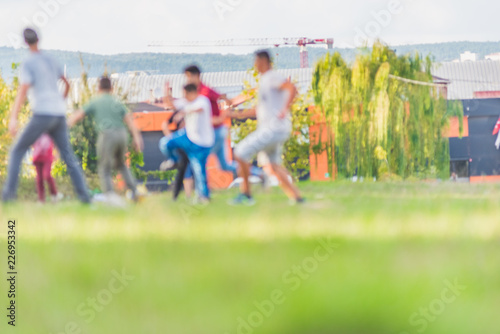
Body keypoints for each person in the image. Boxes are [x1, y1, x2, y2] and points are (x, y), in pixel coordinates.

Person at [2, 28, 91, 203]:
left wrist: (13, 118)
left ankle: (9, 196)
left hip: (42, 113)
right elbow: (66, 83)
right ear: (38, 39)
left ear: (25, 42)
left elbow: (23, 90)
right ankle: (85, 197)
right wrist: (60, 101)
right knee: (68, 156)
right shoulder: (51, 60)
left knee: (17, 150)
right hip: (58, 114)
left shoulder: (28, 63)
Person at [231, 50, 304, 205]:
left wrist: (285, 109)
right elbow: (259, 110)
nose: (255, 65)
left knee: (240, 152)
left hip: (273, 129)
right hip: (275, 129)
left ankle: (246, 195)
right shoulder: (265, 81)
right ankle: (297, 197)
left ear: (263, 61)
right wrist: (233, 115)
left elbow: (291, 87)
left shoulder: (271, 77)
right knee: (273, 166)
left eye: (256, 61)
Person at [68, 77, 144, 203]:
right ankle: (134, 191)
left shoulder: (96, 101)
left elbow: (79, 115)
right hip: (122, 134)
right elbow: (129, 121)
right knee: (121, 164)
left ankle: (110, 196)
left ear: (98, 88)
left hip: (107, 135)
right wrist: (137, 138)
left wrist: (65, 125)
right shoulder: (116, 101)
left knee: (104, 167)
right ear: (111, 88)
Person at [161, 84, 215, 203]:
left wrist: (184, 112)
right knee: (165, 143)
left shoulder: (202, 101)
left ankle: (203, 196)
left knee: (197, 169)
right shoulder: (185, 101)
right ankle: (173, 160)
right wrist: (166, 90)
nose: (183, 97)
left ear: (191, 93)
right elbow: (170, 104)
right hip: (187, 139)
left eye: (185, 94)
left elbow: (198, 109)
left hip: (202, 142)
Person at [32, 133, 62, 203]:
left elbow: (56, 138)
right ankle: (41, 200)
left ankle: (54, 194)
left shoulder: (48, 127)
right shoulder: (34, 128)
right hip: (37, 156)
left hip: (47, 156)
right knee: (39, 179)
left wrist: (57, 153)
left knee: (47, 175)